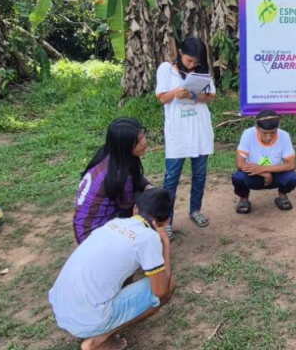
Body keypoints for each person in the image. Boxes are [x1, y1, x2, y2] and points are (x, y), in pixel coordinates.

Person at [50, 188, 177, 350]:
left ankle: (100, 324)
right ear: (166, 222)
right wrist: (165, 243)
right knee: (169, 284)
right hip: (85, 322)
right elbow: (161, 291)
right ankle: (100, 340)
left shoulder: (114, 223)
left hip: (62, 310)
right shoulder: (148, 238)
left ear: (135, 209)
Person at [155, 37, 215, 239]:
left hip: (199, 130)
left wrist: (191, 96)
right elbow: (162, 97)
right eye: (189, 60)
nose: (192, 64)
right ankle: (167, 221)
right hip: (178, 133)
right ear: (180, 52)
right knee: (171, 178)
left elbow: (210, 97)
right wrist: (177, 93)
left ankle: (195, 210)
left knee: (199, 175)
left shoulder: (201, 71)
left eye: (196, 62)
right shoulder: (166, 69)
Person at [74, 117, 151, 244]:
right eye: (138, 141)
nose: (144, 142)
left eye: (143, 136)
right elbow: (129, 209)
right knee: (149, 213)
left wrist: (147, 186)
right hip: (92, 238)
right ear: (125, 146)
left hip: (82, 227)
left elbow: (136, 177)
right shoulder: (120, 175)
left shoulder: (111, 156)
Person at [232, 109, 296, 214]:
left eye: (272, 133)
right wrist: (263, 173)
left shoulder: (284, 136)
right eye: (264, 133)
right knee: (238, 177)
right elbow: (240, 164)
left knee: (293, 178)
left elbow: (291, 165)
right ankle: (244, 200)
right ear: (257, 128)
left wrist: (263, 168)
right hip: (253, 173)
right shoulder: (248, 134)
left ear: (277, 128)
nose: (268, 137)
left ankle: (282, 196)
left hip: (275, 174)